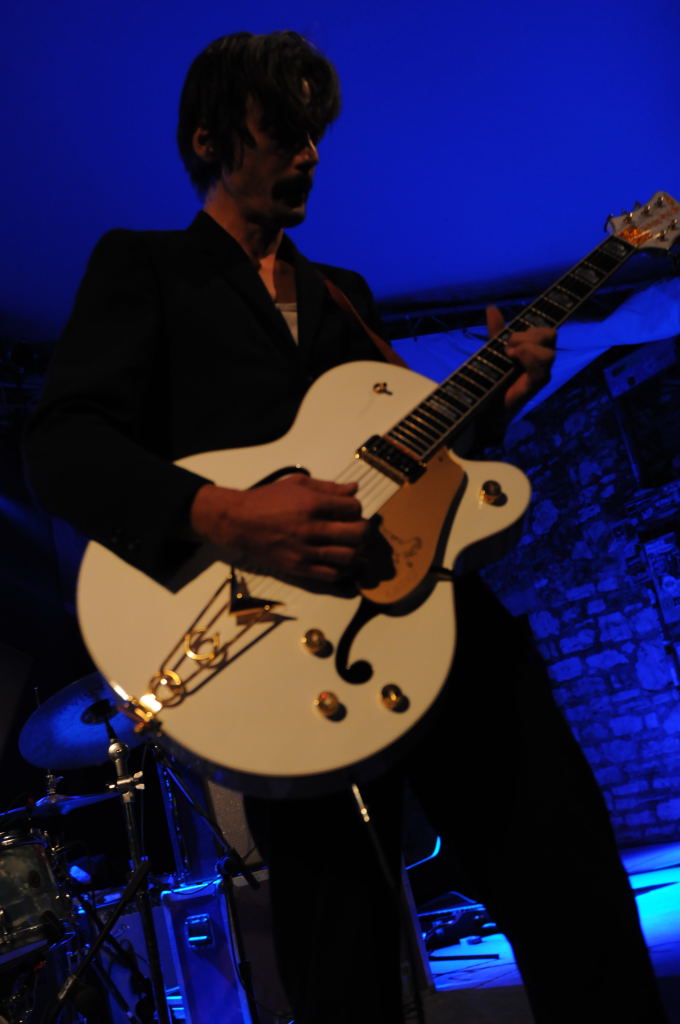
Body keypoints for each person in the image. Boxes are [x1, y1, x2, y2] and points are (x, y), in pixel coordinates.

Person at [24, 31, 668, 1024]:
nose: (310, 152)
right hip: (274, 645)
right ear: (207, 140)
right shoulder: (145, 268)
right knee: (342, 956)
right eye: (283, 128)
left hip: (440, 623)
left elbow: (411, 464)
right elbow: (62, 445)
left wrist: (495, 404)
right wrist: (227, 516)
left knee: (571, 886)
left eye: (315, 131)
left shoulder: (346, 296)